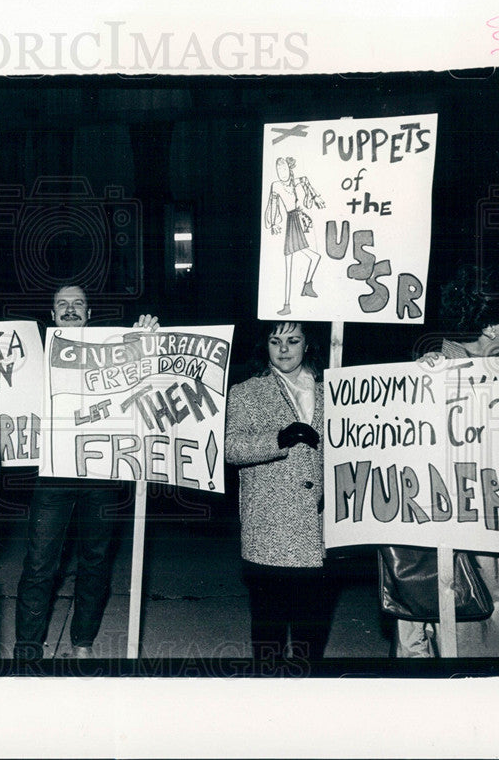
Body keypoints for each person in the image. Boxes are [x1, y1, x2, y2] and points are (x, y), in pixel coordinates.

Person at [0, 285, 158, 659]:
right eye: (63, 304)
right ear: (53, 313)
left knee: (95, 561)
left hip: (103, 472)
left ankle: (83, 642)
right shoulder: (35, 350)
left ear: (89, 313)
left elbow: (151, 376)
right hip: (53, 474)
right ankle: (28, 647)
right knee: (40, 563)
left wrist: (149, 335)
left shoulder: (118, 348)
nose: (71, 309)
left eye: (78, 304)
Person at [386, 265, 499, 658]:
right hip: (442, 520)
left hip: (490, 513)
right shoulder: (432, 368)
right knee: (431, 625)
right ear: (490, 326)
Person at [224, 321, 333, 661]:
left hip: (318, 527)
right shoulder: (247, 391)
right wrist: (278, 440)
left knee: (310, 632)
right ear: (265, 345)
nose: (284, 349)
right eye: (275, 341)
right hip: (269, 526)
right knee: (268, 631)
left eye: (293, 340)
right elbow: (230, 447)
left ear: (307, 344)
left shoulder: (333, 389)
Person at [264, 156, 325, 316]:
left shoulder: (299, 181)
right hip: (291, 223)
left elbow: (308, 185)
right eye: (278, 170)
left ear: (289, 169)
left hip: (300, 220)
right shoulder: (276, 186)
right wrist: (272, 223)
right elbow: (272, 205)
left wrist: (316, 197)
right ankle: (287, 304)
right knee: (288, 265)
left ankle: (307, 286)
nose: (281, 172)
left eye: (283, 169)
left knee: (315, 257)